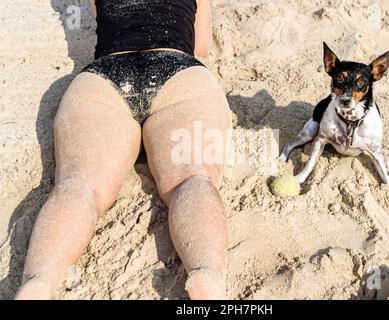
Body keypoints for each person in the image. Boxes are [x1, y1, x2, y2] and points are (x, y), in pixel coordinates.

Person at [16, 0, 231, 300]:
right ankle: (206, 274)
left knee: (79, 184)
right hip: (177, 70)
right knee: (192, 178)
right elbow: (202, 46)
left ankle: (38, 281)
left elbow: (101, 17)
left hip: (106, 74)